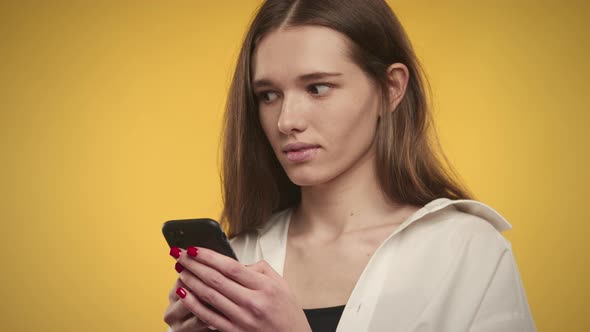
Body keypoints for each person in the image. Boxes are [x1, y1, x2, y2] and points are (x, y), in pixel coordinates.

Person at [164, 0, 537, 331]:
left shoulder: (467, 252)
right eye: (269, 95)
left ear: (391, 89)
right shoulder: (238, 260)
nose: (286, 120)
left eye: (318, 87)